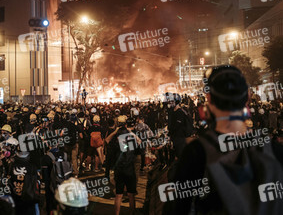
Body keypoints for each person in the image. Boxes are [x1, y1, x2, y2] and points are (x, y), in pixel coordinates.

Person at [169, 65, 283, 214]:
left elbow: (178, 209)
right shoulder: (275, 151)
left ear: (208, 99)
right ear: (247, 97)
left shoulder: (196, 153)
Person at [106, 115, 141, 215]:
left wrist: (114, 132)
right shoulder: (130, 137)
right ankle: (132, 212)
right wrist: (130, 132)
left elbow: (107, 141)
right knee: (131, 194)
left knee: (118, 195)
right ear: (126, 124)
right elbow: (139, 142)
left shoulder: (116, 137)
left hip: (119, 168)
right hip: (129, 168)